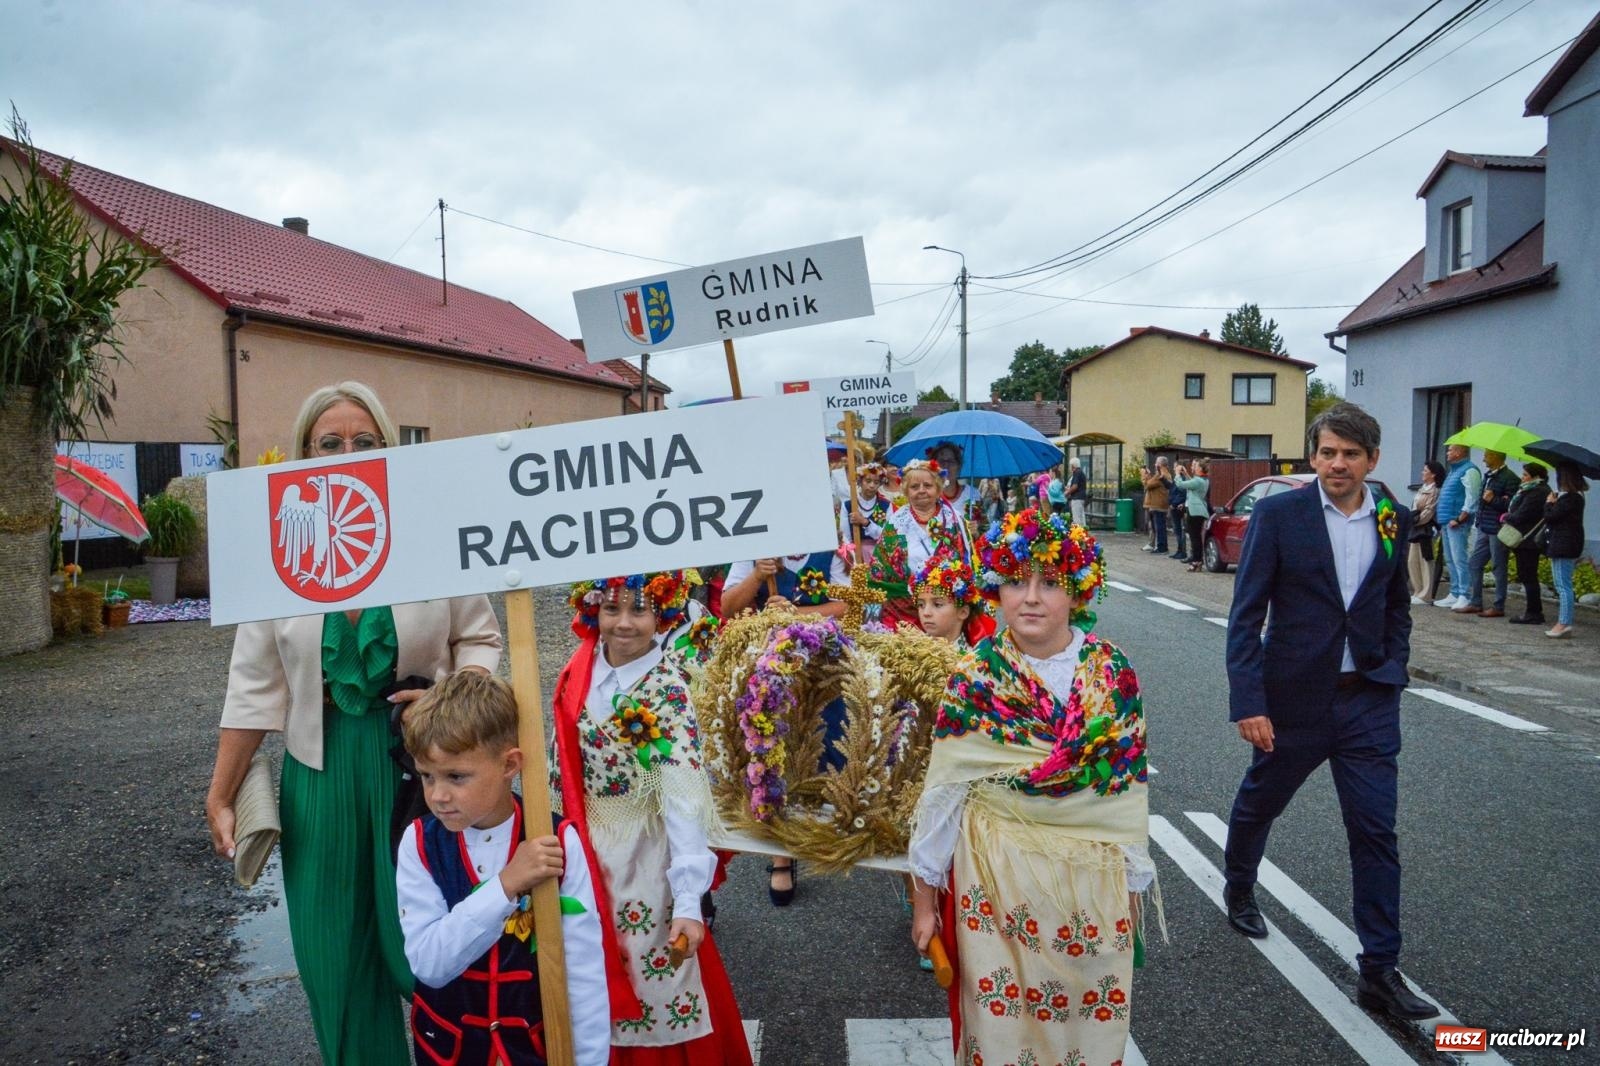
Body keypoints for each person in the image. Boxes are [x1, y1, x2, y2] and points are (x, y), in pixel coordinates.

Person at [205, 381, 503, 1066]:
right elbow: (254, 685)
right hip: (320, 770)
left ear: (388, 451)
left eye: (364, 443)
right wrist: (220, 794)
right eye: (329, 443)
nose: (346, 453)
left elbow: (482, 639)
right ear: (305, 454)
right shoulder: (276, 547)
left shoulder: (426, 531)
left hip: (423, 767)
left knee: (431, 952)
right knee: (333, 962)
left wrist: (453, 701)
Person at [909, 509, 1156, 1066]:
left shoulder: (1112, 672)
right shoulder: (976, 673)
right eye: (1016, 582)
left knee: (1086, 1023)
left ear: (1079, 590)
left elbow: (1126, 788)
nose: (1031, 598)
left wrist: (1134, 888)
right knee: (1000, 1026)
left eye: (1050, 582)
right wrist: (924, 900)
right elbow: (944, 792)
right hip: (996, 875)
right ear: (997, 591)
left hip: (1090, 880)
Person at [1221, 403, 1436, 1021]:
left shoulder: (1390, 518)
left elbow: (1397, 605)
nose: (1337, 463)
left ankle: (1379, 972)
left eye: (1350, 453)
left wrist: (1392, 669)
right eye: (1327, 452)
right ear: (1313, 456)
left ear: (1372, 460)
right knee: (1262, 800)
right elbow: (1246, 615)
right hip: (1293, 700)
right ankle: (1239, 884)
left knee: (1375, 831)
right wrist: (1249, 701)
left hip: (1368, 699)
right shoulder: (1279, 514)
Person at [550, 573, 753, 1065]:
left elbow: (684, 799)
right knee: (585, 977)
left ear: (660, 615)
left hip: (644, 859)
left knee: (651, 982)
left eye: (638, 611)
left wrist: (687, 899)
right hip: (583, 854)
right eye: (612, 608)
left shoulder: (667, 690)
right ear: (592, 609)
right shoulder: (578, 670)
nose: (623, 623)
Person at [397, 671, 610, 1066]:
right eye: (427, 776)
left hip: (533, 1050)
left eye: (456, 776)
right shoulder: (419, 844)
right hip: (452, 1050)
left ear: (510, 763)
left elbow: (583, 970)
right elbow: (430, 963)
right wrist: (506, 886)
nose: (438, 795)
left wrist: (591, 1060)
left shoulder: (557, 838)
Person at [869, 458, 977, 630]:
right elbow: (880, 571)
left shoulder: (954, 519)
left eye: (927, 485)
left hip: (946, 612)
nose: (921, 491)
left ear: (938, 488)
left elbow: (967, 564)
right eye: (914, 487)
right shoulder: (896, 522)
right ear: (905, 490)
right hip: (901, 612)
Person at [1457, 449, 1519, 617]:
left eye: (1487, 455)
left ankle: (1498, 606)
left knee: (1499, 566)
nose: (1483, 459)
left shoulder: (1510, 478)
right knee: (1474, 563)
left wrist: (1494, 500)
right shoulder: (1489, 475)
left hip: (1498, 529)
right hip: (1484, 526)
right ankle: (1476, 602)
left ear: (1496, 456)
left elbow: (1512, 506)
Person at [913, 549, 995, 649]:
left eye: (937, 604)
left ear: (963, 612)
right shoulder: (907, 657)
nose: (926, 613)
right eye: (921, 605)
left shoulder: (974, 662)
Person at [1544, 463, 1588, 638]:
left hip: (1564, 545)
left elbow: (1550, 517)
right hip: (1564, 543)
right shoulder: (1574, 498)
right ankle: (1564, 622)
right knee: (1563, 584)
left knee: (1563, 586)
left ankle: (1564, 623)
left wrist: (1549, 504)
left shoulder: (1571, 499)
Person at [1435, 444, 1482, 608]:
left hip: (1456, 522)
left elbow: (1472, 498)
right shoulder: (1454, 471)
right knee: (1450, 559)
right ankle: (1455, 592)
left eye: (1451, 450)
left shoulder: (1469, 470)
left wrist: (1460, 518)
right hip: (1447, 521)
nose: (1447, 452)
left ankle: (1464, 594)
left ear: (1460, 452)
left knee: (1459, 558)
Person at [1503, 462, 1550, 626]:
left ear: (1536, 476)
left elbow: (1522, 514)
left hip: (1528, 540)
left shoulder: (1537, 492)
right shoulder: (1531, 490)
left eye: (1525, 475)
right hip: (1525, 539)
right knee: (1527, 575)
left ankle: (1533, 612)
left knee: (1528, 575)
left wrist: (1506, 517)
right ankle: (1533, 611)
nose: (1522, 478)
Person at [1406, 460, 1445, 605]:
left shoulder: (1434, 491)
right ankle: (1418, 591)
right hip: (1416, 528)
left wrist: (1415, 521)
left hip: (1425, 529)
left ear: (1433, 474)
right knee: (1412, 560)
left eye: (1425, 470)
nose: (1422, 473)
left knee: (1425, 560)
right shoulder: (1423, 488)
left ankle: (1426, 594)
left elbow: (1429, 512)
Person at [841, 461, 894, 564]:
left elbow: (888, 536)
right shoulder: (848, 505)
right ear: (860, 481)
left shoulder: (886, 505)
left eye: (876, 482)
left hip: (880, 555)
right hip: (855, 555)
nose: (871, 485)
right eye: (868, 481)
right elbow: (845, 537)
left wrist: (865, 522)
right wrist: (852, 557)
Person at [1173, 459, 1211, 572]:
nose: (1194, 467)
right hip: (1199, 510)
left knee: (1195, 538)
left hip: (1194, 511)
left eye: (1196, 466)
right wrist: (1185, 474)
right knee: (1197, 537)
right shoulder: (1203, 480)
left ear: (1200, 469)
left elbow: (1181, 485)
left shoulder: (1198, 481)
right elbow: (1192, 484)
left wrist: (1177, 474)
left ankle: (1196, 561)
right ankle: (1198, 560)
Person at [1142, 458, 1171, 554]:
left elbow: (1148, 485)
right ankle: (1161, 546)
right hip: (1160, 504)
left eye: (1156, 462)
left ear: (1160, 464)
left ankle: (1162, 548)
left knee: (1160, 527)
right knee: (1159, 527)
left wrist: (1145, 476)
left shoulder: (1161, 475)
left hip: (1158, 504)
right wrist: (1150, 476)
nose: (1154, 464)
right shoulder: (1164, 474)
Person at [1066, 455, 1089, 527]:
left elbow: (1075, 486)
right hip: (1082, 498)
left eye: (1071, 465)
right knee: (1082, 518)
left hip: (1077, 498)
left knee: (1077, 519)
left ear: (1073, 465)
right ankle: (1084, 534)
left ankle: (1078, 535)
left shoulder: (1076, 473)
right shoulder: (1081, 472)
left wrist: (1067, 492)